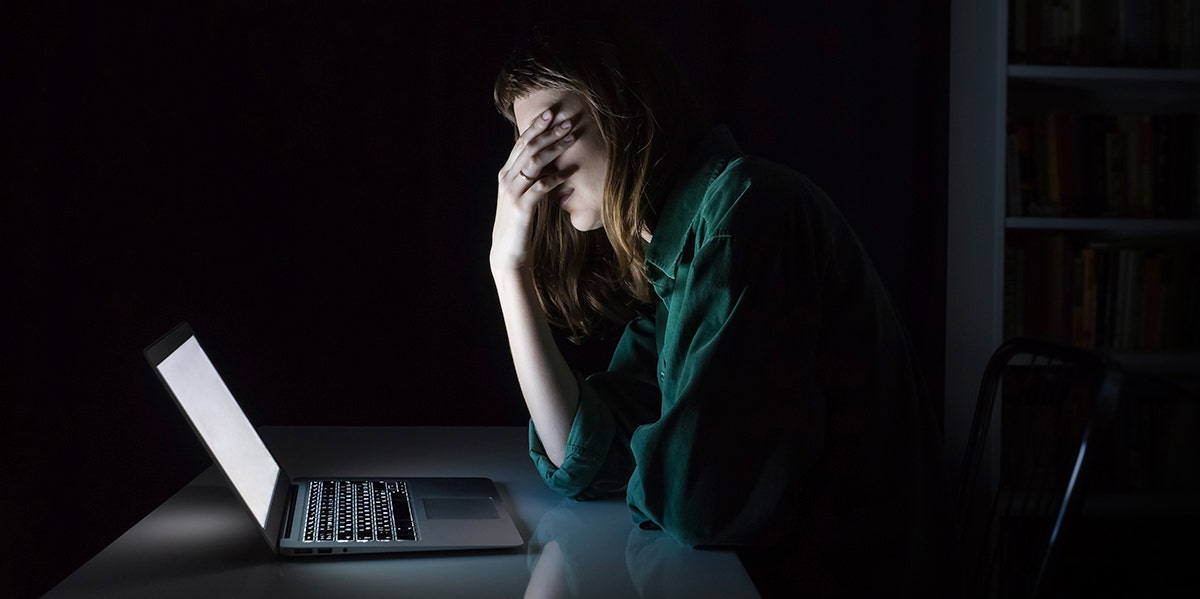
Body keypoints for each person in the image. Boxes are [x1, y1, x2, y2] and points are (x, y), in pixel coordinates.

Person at [488, 10, 958, 597]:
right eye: (524, 146)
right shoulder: (679, 249)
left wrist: (653, 460)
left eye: (551, 135)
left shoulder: (742, 216)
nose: (535, 174)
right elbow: (587, 457)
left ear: (624, 107)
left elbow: (697, 502)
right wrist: (509, 271)